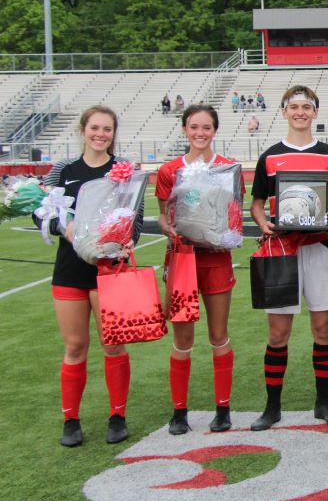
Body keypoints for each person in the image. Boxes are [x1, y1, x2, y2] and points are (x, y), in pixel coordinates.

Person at [35, 106, 142, 447]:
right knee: (75, 345)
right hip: (69, 269)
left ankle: (117, 415)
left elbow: (134, 219)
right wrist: (65, 230)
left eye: (107, 129)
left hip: (108, 269)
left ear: (113, 133)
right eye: (94, 127)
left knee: (113, 344)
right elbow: (45, 212)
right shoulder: (62, 170)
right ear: (83, 130)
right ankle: (71, 419)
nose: (100, 134)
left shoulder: (123, 170)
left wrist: (125, 241)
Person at [249, 86, 328, 431]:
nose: (300, 112)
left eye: (307, 106)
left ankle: (324, 403)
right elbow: (257, 204)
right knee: (278, 333)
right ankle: (272, 406)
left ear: (315, 112)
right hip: (282, 251)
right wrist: (264, 225)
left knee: (323, 328)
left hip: (319, 248)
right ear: (283, 111)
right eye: (294, 106)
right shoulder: (270, 157)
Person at [155, 105, 241, 435]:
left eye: (206, 127)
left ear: (215, 130)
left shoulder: (227, 169)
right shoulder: (169, 170)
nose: (200, 133)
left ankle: (223, 408)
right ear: (184, 129)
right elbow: (164, 215)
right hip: (183, 260)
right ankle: (180, 411)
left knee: (218, 335)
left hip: (216, 261)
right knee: (183, 338)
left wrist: (226, 236)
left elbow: (234, 215)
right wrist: (171, 230)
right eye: (194, 127)